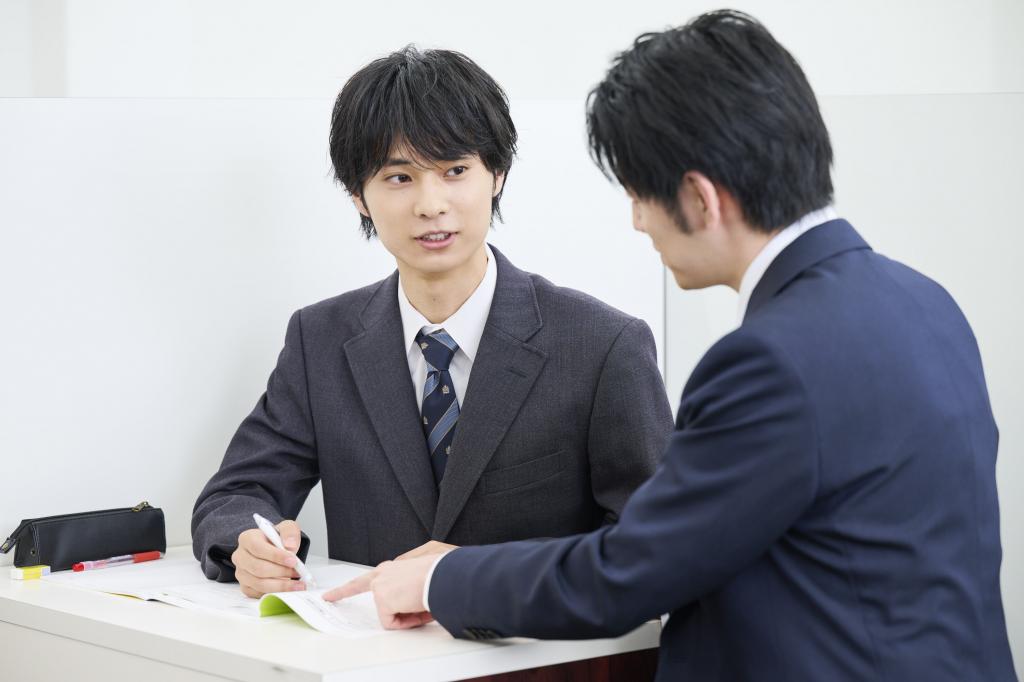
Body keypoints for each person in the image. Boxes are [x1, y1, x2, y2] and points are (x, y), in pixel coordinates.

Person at [325, 11, 1018, 681]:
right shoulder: (925, 302)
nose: (636, 222)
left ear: (699, 198)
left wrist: (443, 577)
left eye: (638, 193)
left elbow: (629, 571)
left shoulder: (768, 362)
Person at [191, 46, 673, 599]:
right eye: (399, 177)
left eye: (455, 170)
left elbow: (653, 542)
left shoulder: (601, 345)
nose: (431, 203)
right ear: (359, 198)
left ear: (497, 176)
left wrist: (479, 574)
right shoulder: (319, 339)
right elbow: (236, 492)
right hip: (369, 658)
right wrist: (248, 544)